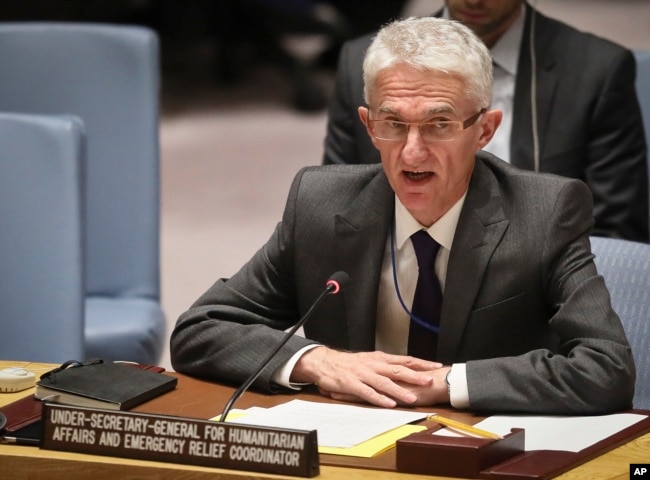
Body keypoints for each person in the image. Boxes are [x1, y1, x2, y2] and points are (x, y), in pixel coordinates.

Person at [171, 17, 635, 415]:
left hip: (478, 450)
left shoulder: (544, 212)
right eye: (393, 124)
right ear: (369, 125)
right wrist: (319, 361)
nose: (412, 151)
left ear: (485, 130)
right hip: (346, 446)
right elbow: (200, 330)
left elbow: (606, 367)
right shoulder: (320, 202)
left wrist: (447, 383)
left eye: (439, 124)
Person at [322, 0, 649, 243]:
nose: (474, 0)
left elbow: (616, 236)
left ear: (486, 128)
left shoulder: (597, 72)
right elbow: (339, 208)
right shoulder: (362, 62)